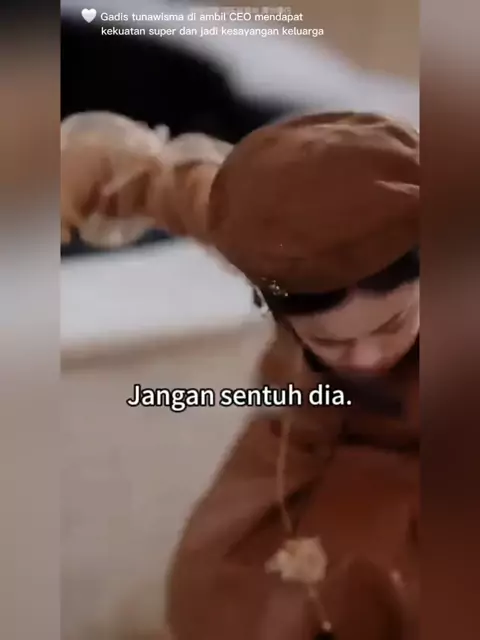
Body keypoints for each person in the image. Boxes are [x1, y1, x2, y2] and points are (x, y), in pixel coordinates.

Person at [61, 111, 419, 640]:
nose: (365, 358)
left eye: (390, 326)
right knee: (232, 589)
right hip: (302, 439)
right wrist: (76, 182)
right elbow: (146, 175)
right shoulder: (263, 235)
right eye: (330, 341)